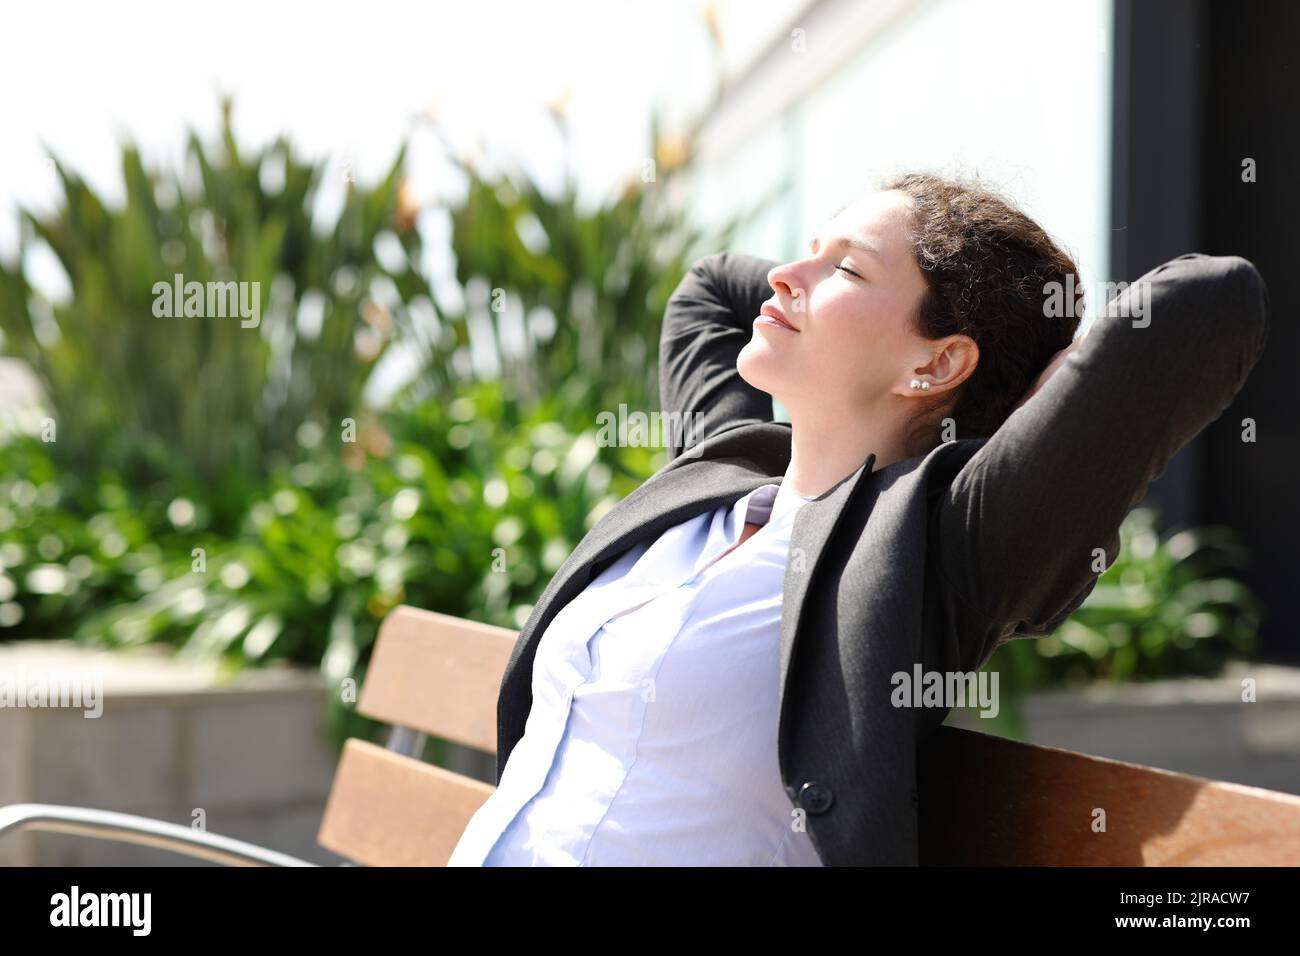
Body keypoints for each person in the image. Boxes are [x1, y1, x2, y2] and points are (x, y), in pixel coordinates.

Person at [448, 171, 1271, 866]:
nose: (785, 279)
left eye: (845, 268)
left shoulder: (934, 549)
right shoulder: (725, 466)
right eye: (806, 253)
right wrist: (828, 282)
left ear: (937, 360)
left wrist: (1045, 396)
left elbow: (1211, 304)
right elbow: (709, 288)